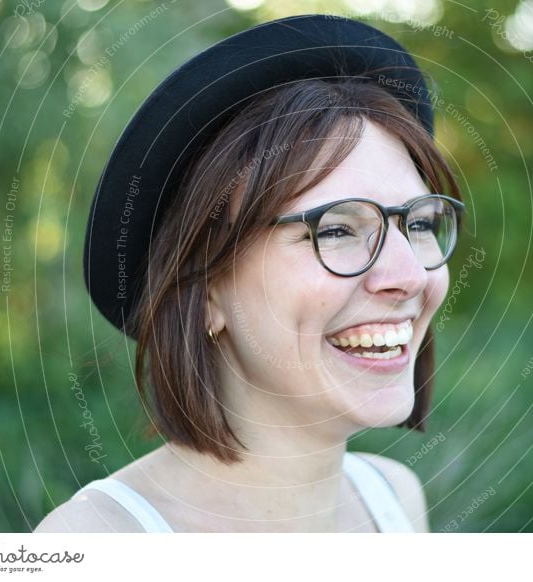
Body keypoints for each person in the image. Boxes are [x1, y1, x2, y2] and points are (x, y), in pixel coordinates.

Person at [35, 14, 464, 533]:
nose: (411, 275)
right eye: (336, 231)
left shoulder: (391, 498)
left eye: (418, 223)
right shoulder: (100, 545)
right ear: (204, 289)